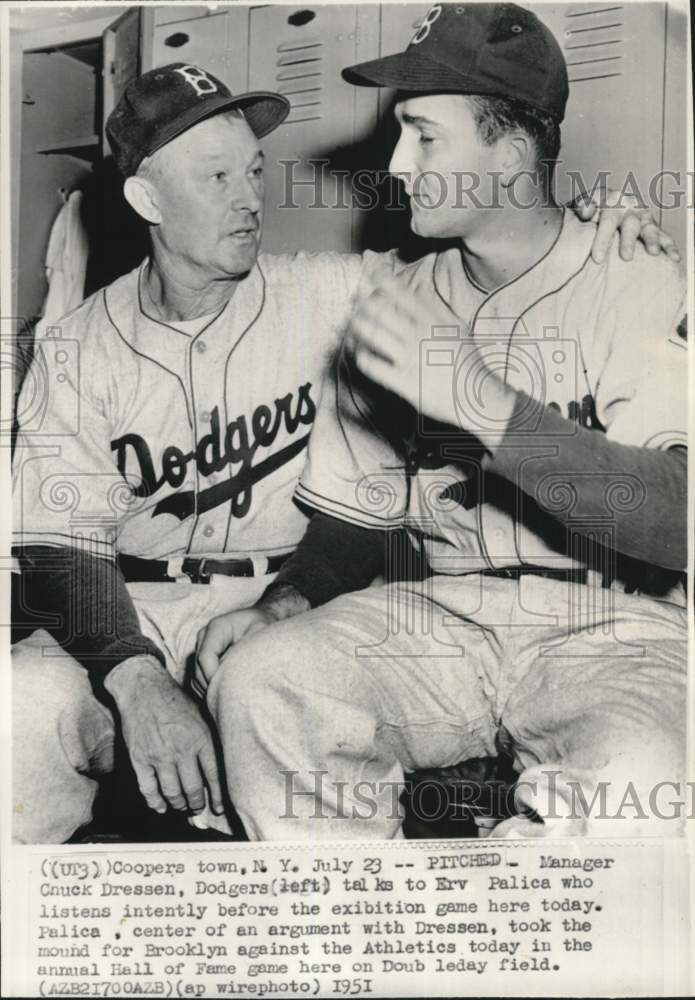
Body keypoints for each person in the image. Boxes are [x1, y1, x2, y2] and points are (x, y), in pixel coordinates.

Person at [11, 52, 673, 843]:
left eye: (254, 171)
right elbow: (58, 547)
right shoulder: (74, 345)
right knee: (18, 718)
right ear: (146, 197)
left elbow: (501, 256)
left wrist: (603, 221)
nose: (252, 198)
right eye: (216, 178)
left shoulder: (341, 293)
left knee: (272, 683)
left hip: (281, 597)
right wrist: (135, 677)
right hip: (126, 610)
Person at [197, 3, 688, 840]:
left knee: (641, 779)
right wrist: (284, 603)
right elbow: (355, 525)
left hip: (617, 631)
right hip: (444, 622)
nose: (396, 165)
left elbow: (677, 519)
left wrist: (477, 403)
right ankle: (359, 941)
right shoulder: (398, 301)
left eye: (424, 136)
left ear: (510, 151)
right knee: (263, 677)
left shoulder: (633, 273)